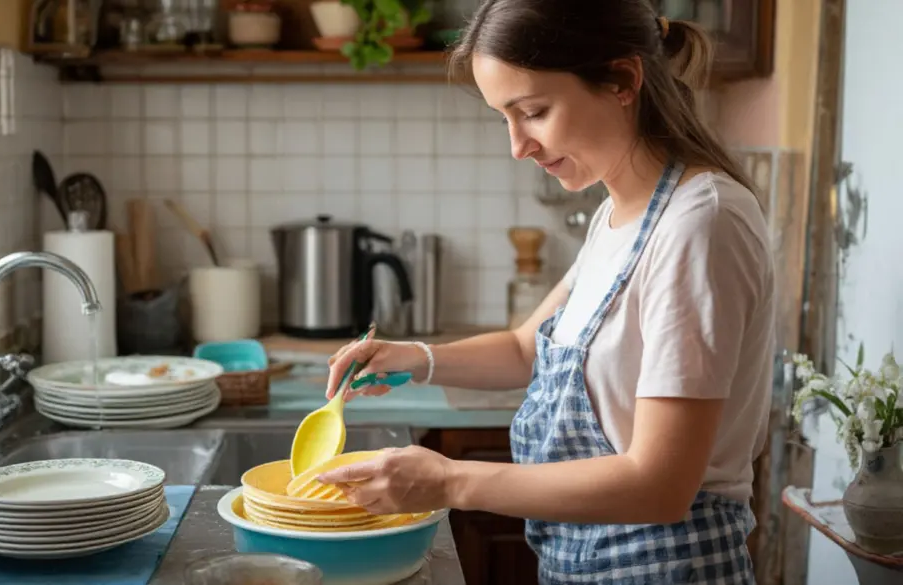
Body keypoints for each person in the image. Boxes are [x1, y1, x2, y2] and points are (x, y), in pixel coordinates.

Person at [315, 0, 775, 583]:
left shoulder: (699, 223)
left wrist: (451, 481)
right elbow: (524, 350)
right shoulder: (618, 214)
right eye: (504, 118)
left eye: (533, 111)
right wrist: (415, 357)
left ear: (623, 80)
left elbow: (660, 487)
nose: (518, 146)